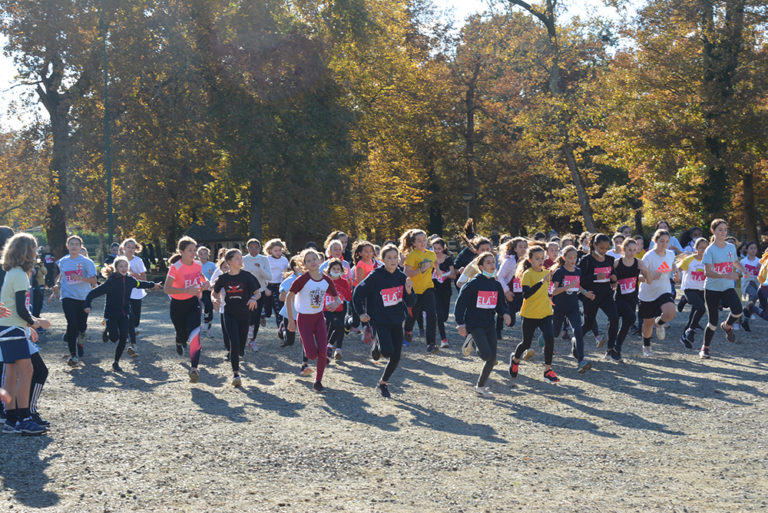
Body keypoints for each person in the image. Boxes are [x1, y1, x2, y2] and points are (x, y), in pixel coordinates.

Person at [0, 233, 50, 435]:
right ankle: (25, 419)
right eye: (35, 249)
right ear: (27, 252)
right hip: (13, 329)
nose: (37, 253)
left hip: (7, 328)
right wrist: (35, 323)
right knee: (27, 372)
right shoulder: (20, 274)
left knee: (11, 374)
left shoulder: (12, 272)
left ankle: (11, 420)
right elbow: (21, 309)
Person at [352, 244, 416, 398]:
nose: (393, 260)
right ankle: (377, 346)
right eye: (389, 258)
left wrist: (409, 291)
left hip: (397, 319)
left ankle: (383, 383)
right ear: (383, 260)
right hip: (380, 319)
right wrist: (361, 313)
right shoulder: (376, 276)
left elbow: (411, 302)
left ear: (399, 259)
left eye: (395, 257)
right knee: (387, 351)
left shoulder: (402, 277)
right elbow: (357, 293)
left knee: (396, 356)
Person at [83, 256, 161, 372]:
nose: (124, 268)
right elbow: (93, 293)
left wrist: (153, 284)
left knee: (124, 338)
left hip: (124, 314)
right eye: (121, 266)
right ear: (116, 268)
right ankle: (108, 330)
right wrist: (87, 305)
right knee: (114, 338)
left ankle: (116, 362)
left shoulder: (130, 280)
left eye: (125, 266)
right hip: (111, 315)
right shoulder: (111, 282)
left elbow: (140, 284)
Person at [454, 252, 511, 397]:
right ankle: (472, 340)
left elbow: (500, 305)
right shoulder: (472, 284)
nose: (492, 265)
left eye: (493, 262)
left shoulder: (496, 285)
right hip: (475, 324)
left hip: (489, 324)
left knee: (492, 359)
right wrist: (460, 323)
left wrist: (505, 313)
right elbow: (460, 305)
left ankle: (480, 387)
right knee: (486, 355)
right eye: (488, 263)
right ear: (481, 267)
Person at [286, 249, 342, 393]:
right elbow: (288, 297)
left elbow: (337, 299)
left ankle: (318, 382)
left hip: (319, 318)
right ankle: (306, 343)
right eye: (308, 260)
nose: (312, 262)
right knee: (311, 355)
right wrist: (291, 321)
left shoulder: (326, 280)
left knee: (323, 351)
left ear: (320, 260)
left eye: (314, 259)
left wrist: (335, 304)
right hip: (304, 319)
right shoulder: (302, 280)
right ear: (304, 264)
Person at [508, 246, 560, 384]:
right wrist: (541, 282)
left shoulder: (547, 273)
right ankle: (515, 360)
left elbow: (547, 291)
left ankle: (548, 370)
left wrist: (550, 297)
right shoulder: (528, 274)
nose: (540, 261)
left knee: (549, 339)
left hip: (546, 313)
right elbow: (527, 294)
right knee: (526, 343)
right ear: (530, 260)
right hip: (530, 314)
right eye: (537, 259)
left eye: (542, 258)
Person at [212, 249, 261, 387]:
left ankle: (239, 352)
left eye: (241, 258)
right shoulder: (223, 278)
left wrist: (253, 298)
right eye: (237, 258)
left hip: (245, 314)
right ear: (229, 261)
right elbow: (214, 293)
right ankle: (236, 374)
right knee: (234, 342)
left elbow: (258, 293)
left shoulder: (247, 276)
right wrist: (214, 300)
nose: (241, 260)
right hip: (229, 314)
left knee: (240, 345)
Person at [163, 236, 209, 382]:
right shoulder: (175, 267)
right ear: (181, 252)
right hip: (177, 306)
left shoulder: (198, 265)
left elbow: (201, 277)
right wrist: (185, 290)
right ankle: (179, 341)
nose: (193, 253)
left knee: (195, 335)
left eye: (195, 250)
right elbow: (166, 289)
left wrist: (206, 283)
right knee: (182, 335)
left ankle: (194, 368)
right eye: (190, 250)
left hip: (193, 304)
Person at [700, 219, 745, 357]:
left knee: (738, 310)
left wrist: (744, 270)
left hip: (727, 288)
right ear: (713, 231)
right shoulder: (709, 250)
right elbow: (708, 272)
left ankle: (726, 325)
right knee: (713, 322)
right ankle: (705, 348)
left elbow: (735, 262)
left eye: (725, 229)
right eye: (720, 229)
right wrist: (726, 275)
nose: (723, 232)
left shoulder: (730, 247)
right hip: (712, 289)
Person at [53, 235, 97, 366]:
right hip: (68, 297)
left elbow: (94, 281)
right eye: (71, 244)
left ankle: (80, 342)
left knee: (82, 326)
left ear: (81, 247)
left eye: (77, 244)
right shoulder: (62, 261)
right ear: (67, 246)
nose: (74, 246)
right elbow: (62, 275)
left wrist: (81, 278)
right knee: (72, 324)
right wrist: (57, 285)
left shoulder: (87, 262)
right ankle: (73, 355)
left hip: (83, 297)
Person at [637, 229, 680, 356]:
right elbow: (639, 277)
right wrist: (650, 276)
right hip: (648, 293)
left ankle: (660, 323)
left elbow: (673, 266)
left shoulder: (670, 254)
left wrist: (677, 274)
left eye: (666, 241)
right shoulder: (648, 256)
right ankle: (646, 346)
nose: (664, 244)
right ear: (655, 241)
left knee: (670, 312)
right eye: (661, 241)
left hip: (664, 290)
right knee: (647, 322)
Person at [551, 246, 593, 372]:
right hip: (559, 306)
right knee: (555, 333)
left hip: (573, 306)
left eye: (575, 257)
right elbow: (554, 291)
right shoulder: (559, 272)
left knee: (578, 330)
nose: (572, 260)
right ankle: (545, 337)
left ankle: (581, 361)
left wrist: (585, 293)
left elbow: (577, 285)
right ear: (564, 258)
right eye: (570, 258)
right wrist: (567, 287)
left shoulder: (578, 271)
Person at [579, 233, 619, 352]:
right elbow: (579, 280)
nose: (604, 251)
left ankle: (610, 349)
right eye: (601, 248)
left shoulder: (610, 259)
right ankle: (576, 341)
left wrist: (614, 279)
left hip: (606, 294)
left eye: (606, 248)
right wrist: (595, 277)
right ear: (594, 245)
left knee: (614, 318)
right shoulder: (586, 260)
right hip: (591, 295)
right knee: (588, 324)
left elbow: (612, 273)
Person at [401, 229, 440, 353]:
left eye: (424, 240)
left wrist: (438, 270)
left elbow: (435, 262)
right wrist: (420, 270)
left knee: (432, 315)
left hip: (428, 287)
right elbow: (406, 272)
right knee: (413, 315)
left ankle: (431, 344)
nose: (422, 243)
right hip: (415, 290)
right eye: (419, 241)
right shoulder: (412, 255)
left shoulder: (431, 254)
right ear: (413, 243)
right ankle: (408, 330)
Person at [612, 237, 650, 360]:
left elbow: (649, 280)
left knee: (627, 323)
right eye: (629, 250)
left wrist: (644, 270)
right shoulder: (617, 262)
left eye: (634, 250)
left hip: (632, 298)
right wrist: (613, 282)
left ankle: (617, 346)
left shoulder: (638, 262)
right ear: (624, 249)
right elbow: (610, 278)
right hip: (620, 298)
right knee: (631, 318)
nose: (632, 252)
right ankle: (614, 345)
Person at [242, 238, 271, 349]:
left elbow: (269, 277)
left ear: (260, 248)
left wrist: (261, 268)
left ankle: (253, 340)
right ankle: (244, 337)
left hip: (260, 291)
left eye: (256, 247)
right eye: (251, 247)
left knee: (256, 316)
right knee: (247, 315)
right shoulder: (243, 259)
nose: (254, 250)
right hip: (246, 292)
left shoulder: (264, 259)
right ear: (247, 248)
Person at [678, 237, 708, 347]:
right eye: (701, 248)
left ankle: (685, 336)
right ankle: (691, 330)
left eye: (705, 248)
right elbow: (678, 269)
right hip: (689, 289)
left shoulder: (708, 260)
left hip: (702, 290)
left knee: (693, 316)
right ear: (696, 248)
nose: (703, 250)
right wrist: (676, 276)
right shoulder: (689, 260)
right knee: (701, 308)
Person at [122, 238, 148, 354]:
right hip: (124, 293)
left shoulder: (138, 261)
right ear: (124, 248)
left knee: (135, 318)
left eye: (133, 247)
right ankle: (128, 335)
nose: (130, 249)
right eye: (128, 247)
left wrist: (132, 274)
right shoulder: (119, 260)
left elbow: (144, 278)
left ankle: (133, 329)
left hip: (136, 293)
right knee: (127, 315)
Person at [323, 258, 352, 361]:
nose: (336, 271)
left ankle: (333, 347)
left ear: (341, 270)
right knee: (335, 326)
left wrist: (341, 289)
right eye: (333, 268)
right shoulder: (324, 280)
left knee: (339, 328)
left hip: (340, 309)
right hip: (327, 310)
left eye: (338, 269)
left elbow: (349, 298)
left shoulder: (344, 282)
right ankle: (328, 347)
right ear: (329, 270)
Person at [432, 238, 455, 348]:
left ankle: (439, 323)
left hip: (445, 290)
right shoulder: (430, 258)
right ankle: (443, 339)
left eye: (439, 249)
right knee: (440, 314)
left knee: (444, 316)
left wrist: (444, 274)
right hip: (434, 290)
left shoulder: (448, 259)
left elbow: (453, 275)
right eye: (435, 248)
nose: (437, 251)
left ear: (443, 248)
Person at [264, 239, 290, 330]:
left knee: (279, 308)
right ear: (270, 250)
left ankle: (282, 329)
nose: (278, 252)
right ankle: (262, 316)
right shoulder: (267, 259)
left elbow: (287, 272)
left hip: (279, 286)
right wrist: (265, 288)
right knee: (267, 311)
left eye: (280, 250)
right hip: (268, 285)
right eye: (275, 250)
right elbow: (262, 274)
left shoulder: (284, 260)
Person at [198, 246, 217, 335]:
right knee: (202, 306)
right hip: (199, 290)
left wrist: (212, 273)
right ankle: (200, 325)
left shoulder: (212, 265)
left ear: (208, 254)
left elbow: (218, 275)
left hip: (209, 289)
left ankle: (208, 326)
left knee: (209, 306)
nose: (203, 255)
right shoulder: (195, 264)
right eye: (201, 254)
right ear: (198, 255)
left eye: (205, 253)